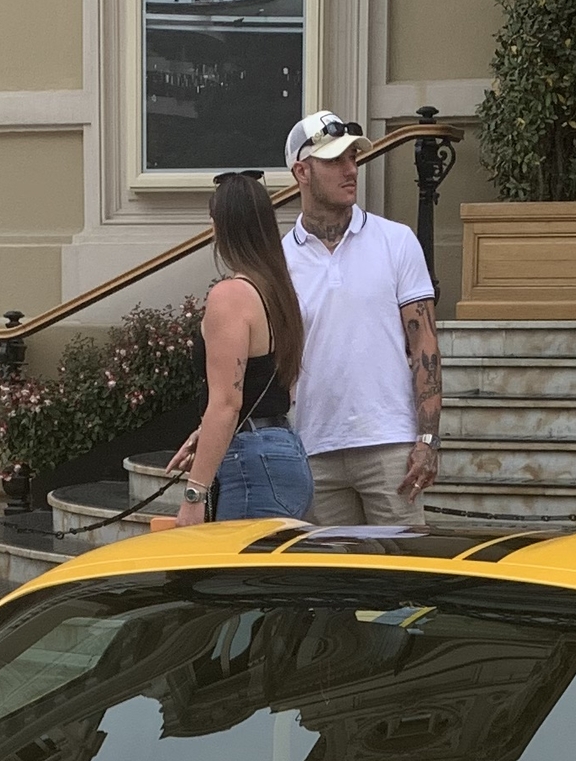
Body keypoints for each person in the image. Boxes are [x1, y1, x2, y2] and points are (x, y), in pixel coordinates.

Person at [280, 111, 439, 527]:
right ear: (302, 171)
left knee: (404, 579)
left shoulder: (396, 240)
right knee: (330, 587)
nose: (351, 169)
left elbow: (425, 346)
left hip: (390, 444)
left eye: (353, 157)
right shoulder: (280, 260)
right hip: (314, 447)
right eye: (335, 160)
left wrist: (426, 439)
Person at [168, 172, 312, 527]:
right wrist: (207, 437)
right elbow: (276, 385)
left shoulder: (229, 296)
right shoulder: (279, 293)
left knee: (238, 580)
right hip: (286, 450)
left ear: (224, 226)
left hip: (251, 462)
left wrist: (194, 494)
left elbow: (227, 403)